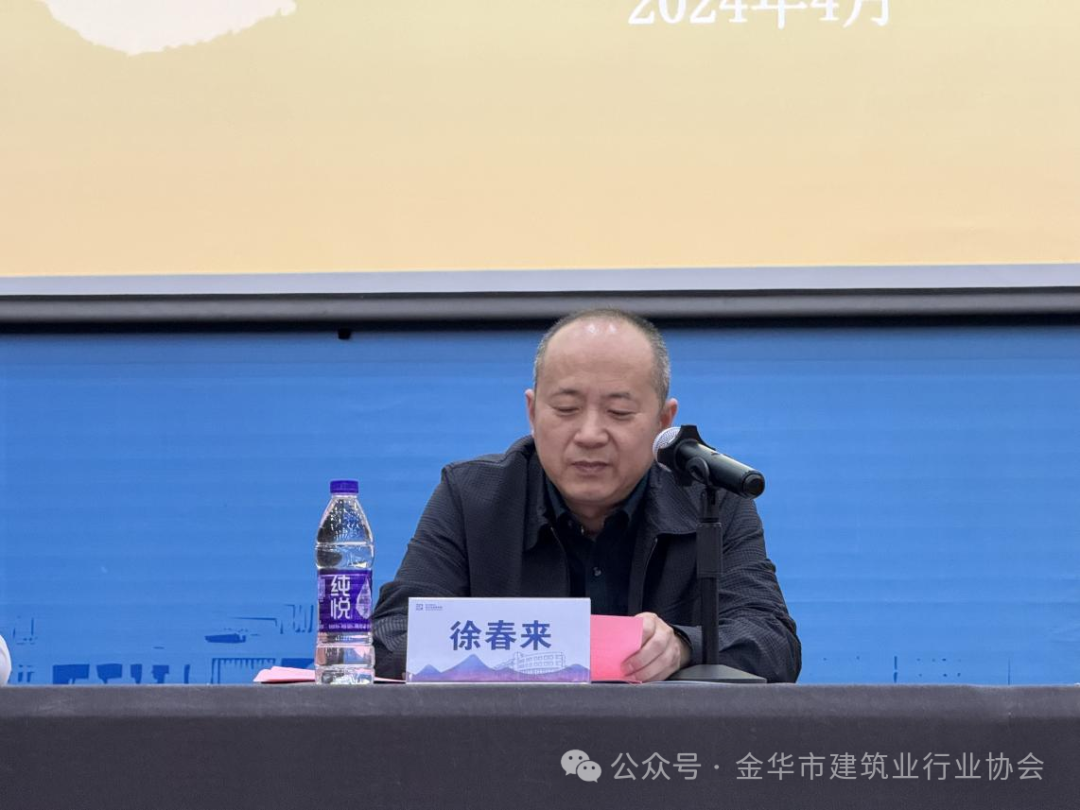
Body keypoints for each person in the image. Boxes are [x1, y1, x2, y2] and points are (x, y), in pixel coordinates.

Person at [372, 309, 800, 682]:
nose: (590, 434)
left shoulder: (712, 500)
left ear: (663, 422)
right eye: (566, 409)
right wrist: (527, 651)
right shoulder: (472, 497)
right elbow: (389, 638)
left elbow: (773, 642)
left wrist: (684, 646)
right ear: (532, 412)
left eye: (619, 412)